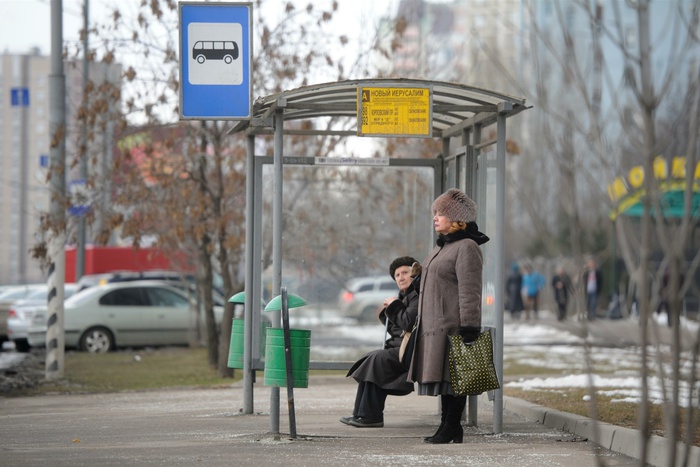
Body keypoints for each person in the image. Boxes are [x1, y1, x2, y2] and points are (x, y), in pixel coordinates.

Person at [407, 188, 489, 444]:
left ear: (457, 219)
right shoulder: (443, 246)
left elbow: (470, 290)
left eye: (440, 213)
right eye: (435, 213)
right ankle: (449, 426)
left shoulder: (467, 247)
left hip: (453, 324)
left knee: (456, 378)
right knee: (446, 379)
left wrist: (470, 326)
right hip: (435, 324)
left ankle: (451, 426)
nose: (435, 218)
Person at [340, 256, 420, 428]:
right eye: (397, 275)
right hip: (400, 348)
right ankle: (361, 414)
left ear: (414, 274)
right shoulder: (404, 296)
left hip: (411, 351)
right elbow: (397, 327)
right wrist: (386, 311)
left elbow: (408, 322)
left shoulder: (417, 296)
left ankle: (371, 416)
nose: (401, 277)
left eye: (405, 272)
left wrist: (394, 306)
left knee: (377, 360)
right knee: (373, 358)